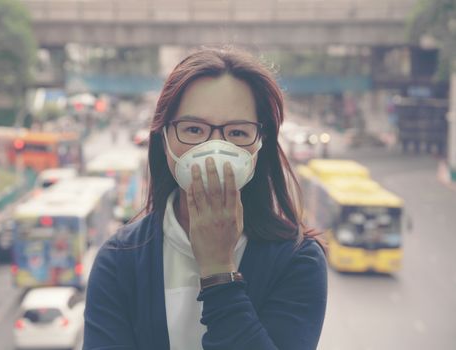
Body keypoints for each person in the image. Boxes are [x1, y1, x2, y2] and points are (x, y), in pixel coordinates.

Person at [84, 47, 327, 350]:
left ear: (261, 143)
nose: (214, 149)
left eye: (237, 132)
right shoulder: (120, 259)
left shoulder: (297, 260)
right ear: (164, 138)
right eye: (194, 129)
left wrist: (218, 270)